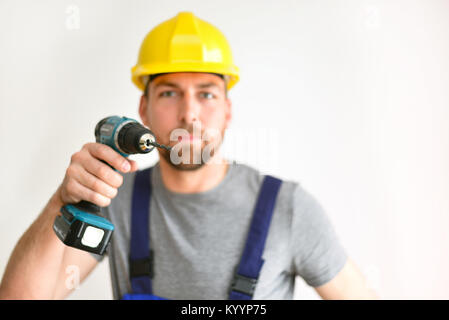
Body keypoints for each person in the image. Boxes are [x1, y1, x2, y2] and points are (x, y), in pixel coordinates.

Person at [0, 11, 378, 300]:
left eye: (206, 93)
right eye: (169, 92)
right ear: (143, 109)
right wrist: (60, 204)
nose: (189, 113)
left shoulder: (288, 208)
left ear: (228, 110)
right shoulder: (113, 199)